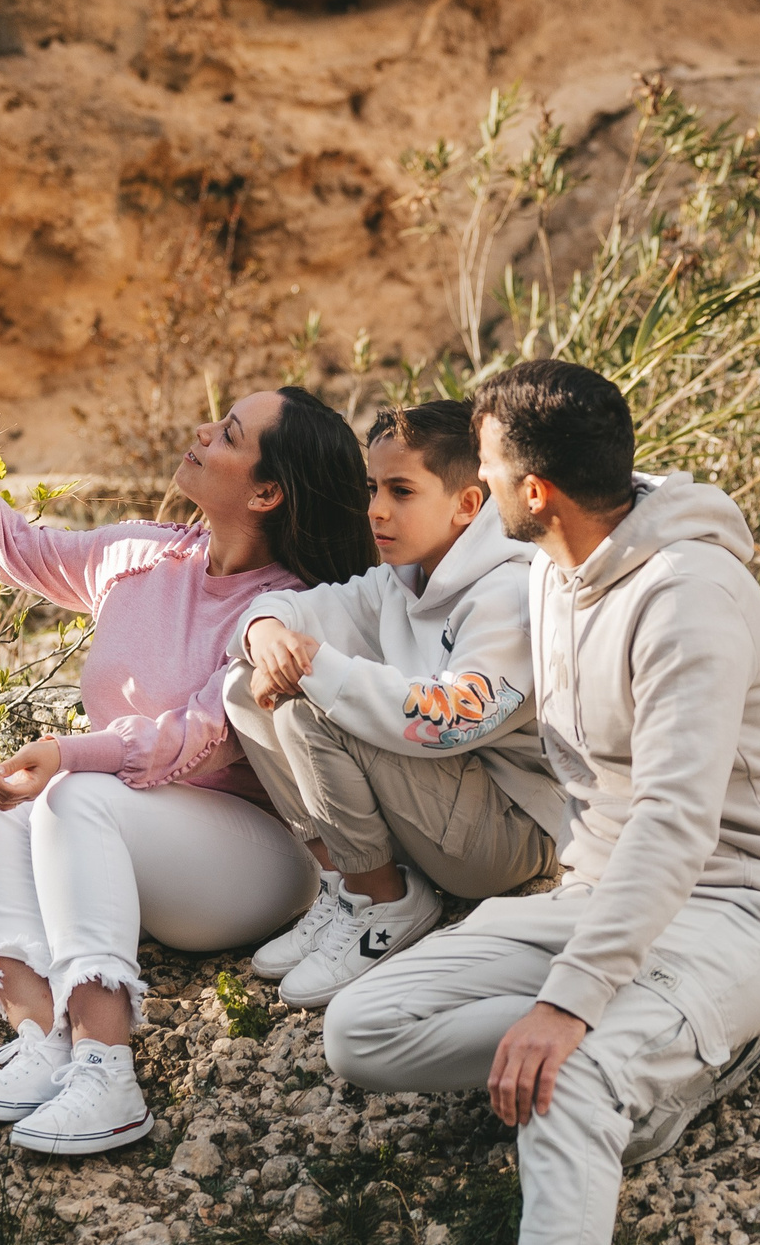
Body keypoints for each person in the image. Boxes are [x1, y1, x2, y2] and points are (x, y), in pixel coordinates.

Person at [321, 361, 760, 1245]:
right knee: (361, 1030)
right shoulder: (550, 574)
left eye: (491, 467)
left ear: (538, 489)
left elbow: (675, 820)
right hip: (600, 894)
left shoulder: (688, 596)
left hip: (751, 907)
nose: (478, 480)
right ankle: (669, 1053)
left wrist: (568, 1006)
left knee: (574, 1077)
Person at [0, 383, 376, 1155]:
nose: (203, 429)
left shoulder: (288, 609)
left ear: (268, 491)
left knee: (76, 792)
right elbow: (13, 544)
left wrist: (71, 754)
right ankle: (43, 1044)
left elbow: (194, 737)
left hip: (254, 865)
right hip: (127, 836)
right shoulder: (148, 555)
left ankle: (108, 1071)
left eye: (230, 433)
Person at [224, 398, 561, 1009]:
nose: (375, 510)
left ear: (467, 504)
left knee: (307, 702)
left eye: (401, 491)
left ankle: (388, 900)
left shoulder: (507, 594)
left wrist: (318, 668)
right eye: (373, 487)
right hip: (440, 807)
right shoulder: (403, 578)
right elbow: (295, 611)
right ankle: (345, 886)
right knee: (243, 688)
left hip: (508, 834)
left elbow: (454, 720)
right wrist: (267, 634)